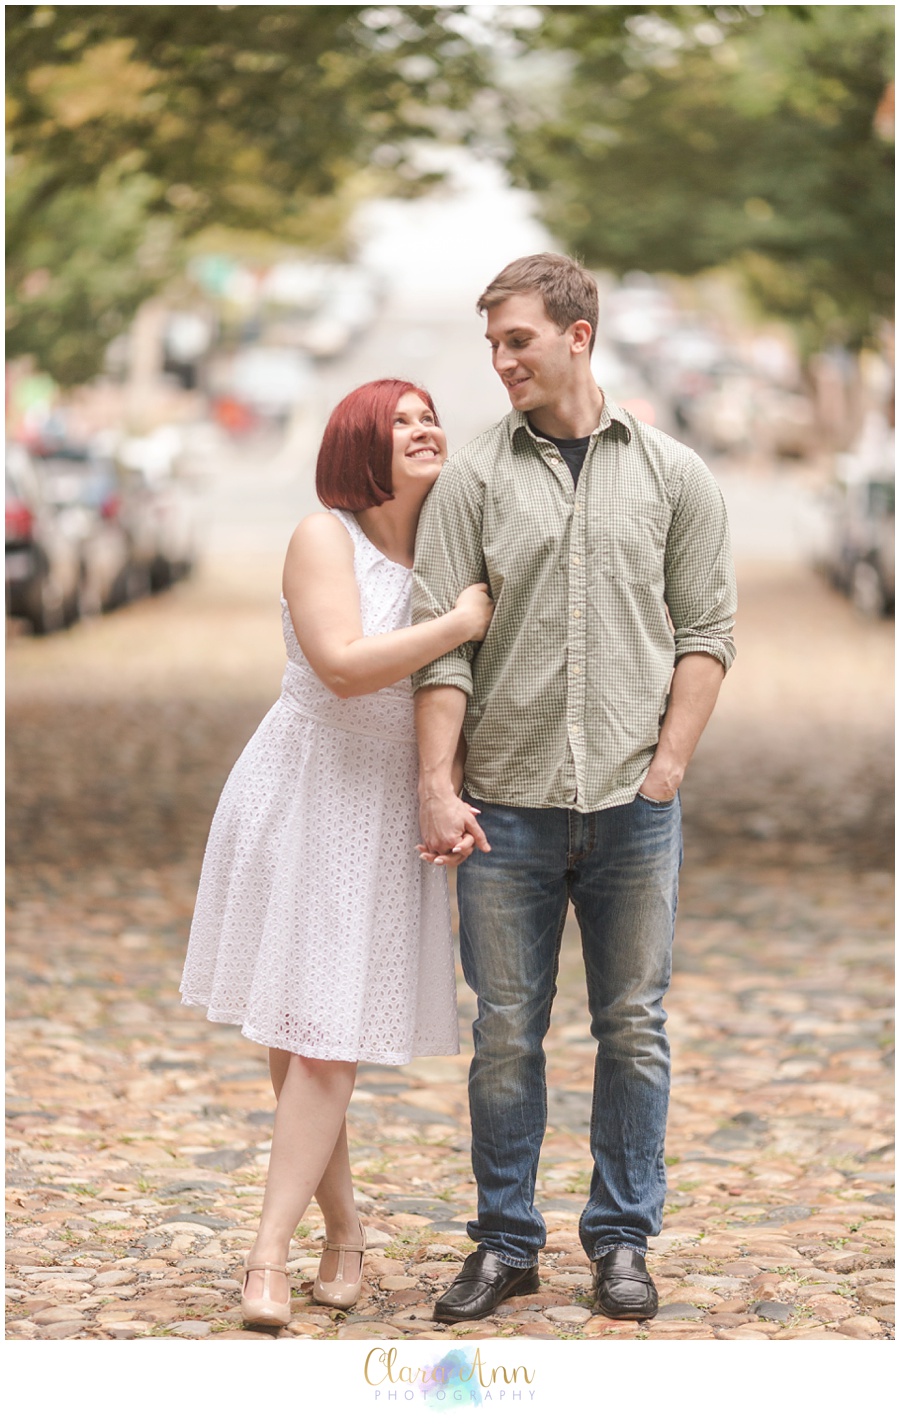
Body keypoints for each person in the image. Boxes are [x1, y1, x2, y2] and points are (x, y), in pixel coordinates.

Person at [412, 253, 737, 1324]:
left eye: (518, 340)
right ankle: (506, 1244)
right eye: (494, 344)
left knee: (632, 1026)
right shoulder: (473, 482)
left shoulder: (677, 475)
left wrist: (667, 769)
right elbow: (441, 657)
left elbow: (707, 633)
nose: (502, 360)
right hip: (505, 806)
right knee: (507, 1030)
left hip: (632, 811)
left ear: (577, 334)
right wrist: (437, 783)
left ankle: (622, 1240)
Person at [181, 379, 492, 1328]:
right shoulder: (327, 537)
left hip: (386, 815)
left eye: (430, 414)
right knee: (316, 1043)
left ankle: (343, 1229)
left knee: (311, 1039)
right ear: (361, 443)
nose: (424, 427)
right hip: (304, 793)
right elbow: (344, 665)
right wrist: (460, 622)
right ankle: (271, 1256)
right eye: (401, 420)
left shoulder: (452, 547)